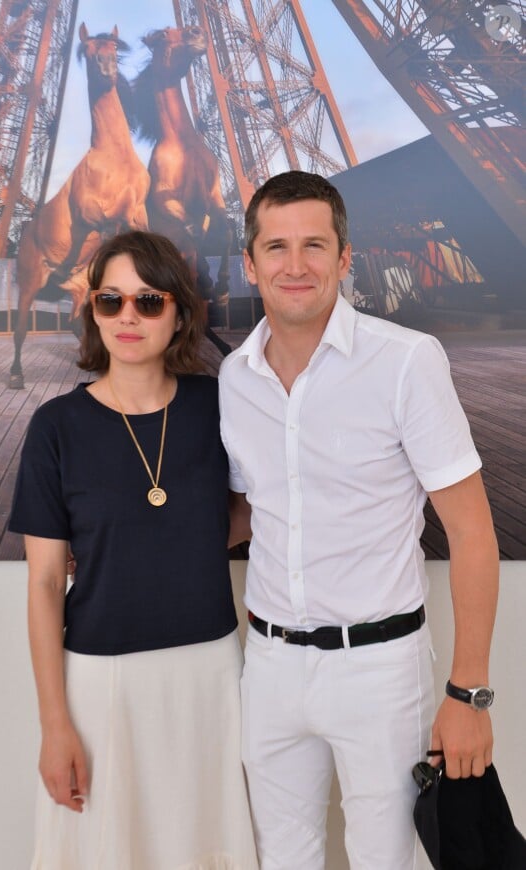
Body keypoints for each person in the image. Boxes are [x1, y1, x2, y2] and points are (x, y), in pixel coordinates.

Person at [218, 171, 499, 869]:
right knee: (280, 858)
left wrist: (469, 694)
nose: (295, 265)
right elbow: (251, 509)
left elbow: (472, 533)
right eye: (276, 247)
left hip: (379, 668)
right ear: (250, 262)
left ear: (344, 257)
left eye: (314, 245)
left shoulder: (405, 361)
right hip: (271, 665)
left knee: (386, 861)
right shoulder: (235, 378)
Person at [9, 230, 258, 870]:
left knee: (206, 846)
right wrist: (54, 725)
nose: (128, 316)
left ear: (178, 313)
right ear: (93, 310)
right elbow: (44, 584)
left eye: (148, 301)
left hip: (210, 672)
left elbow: (251, 512)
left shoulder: (220, 406)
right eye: (110, 300)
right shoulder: (55, 428)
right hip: (101, 679)